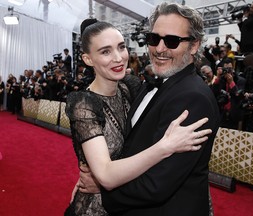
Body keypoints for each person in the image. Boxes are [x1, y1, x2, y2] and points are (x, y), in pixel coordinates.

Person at [77, 3, 219, 215]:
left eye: (172, 41)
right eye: (154, 39)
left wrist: (101, 189)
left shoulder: (192, 98)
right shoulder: (152, 83)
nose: (160, 49)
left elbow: (156, 185)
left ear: (194, 45)